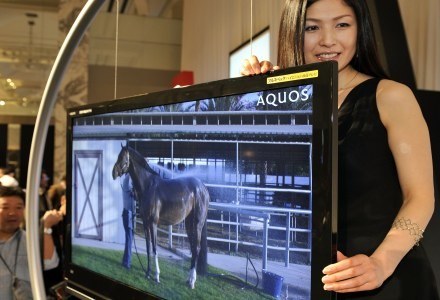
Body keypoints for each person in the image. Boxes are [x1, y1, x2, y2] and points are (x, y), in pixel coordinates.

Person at [241, 0, 438, 299]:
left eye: (342, 24)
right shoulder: (286, 102)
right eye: (312, 27)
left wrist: (380, 264)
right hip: (313, 281)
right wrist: (255, 95)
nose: (328, 40)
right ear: (293, 33)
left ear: (361, 29)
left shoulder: (391, 96)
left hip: (386, 280)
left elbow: (420, 197)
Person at [0, 185, 32, 300]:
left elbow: (50, 263)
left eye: (19, 207)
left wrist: (47, 228)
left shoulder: (31, 241)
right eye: (5, 207)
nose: (12, 213)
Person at [120, 173, 135, 269]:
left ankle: (125, 261)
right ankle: (127, 263)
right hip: (128, 214)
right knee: (129, 239)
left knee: (129, 239)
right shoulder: (127, 180)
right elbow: (134, 194)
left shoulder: (126, 180)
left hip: (127, 213)